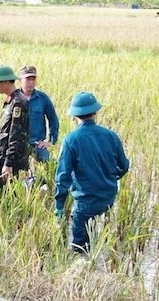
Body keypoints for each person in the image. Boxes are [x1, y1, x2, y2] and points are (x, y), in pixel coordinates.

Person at [54, 91, 130, 254]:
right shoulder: (111, 136)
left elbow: (63, 176)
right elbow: (123, 166)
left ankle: (84, 273)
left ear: (75, 116)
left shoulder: (71, 140)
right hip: (108, 199)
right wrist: (108, 178)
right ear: (95, 113)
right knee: (104, 240)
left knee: (80, 249)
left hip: (85, 203)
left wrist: (59, 205)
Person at [0, 65, 30, 189]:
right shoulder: (10, 101)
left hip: (7, 161)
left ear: (5, 82)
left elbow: (15, 135)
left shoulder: (18, 103)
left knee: (6, 195)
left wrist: (8, 163)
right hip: (0, 156)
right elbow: (5, 129)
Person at [19, 65, 60, 163]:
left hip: (37, 143)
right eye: (28, 79)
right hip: (18, 144)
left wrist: (50, 141)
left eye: (33, 79)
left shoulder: (42, 98)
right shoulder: (14, 98)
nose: (31, 83)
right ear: (20, 80)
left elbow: (53, 119)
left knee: (49, 165)